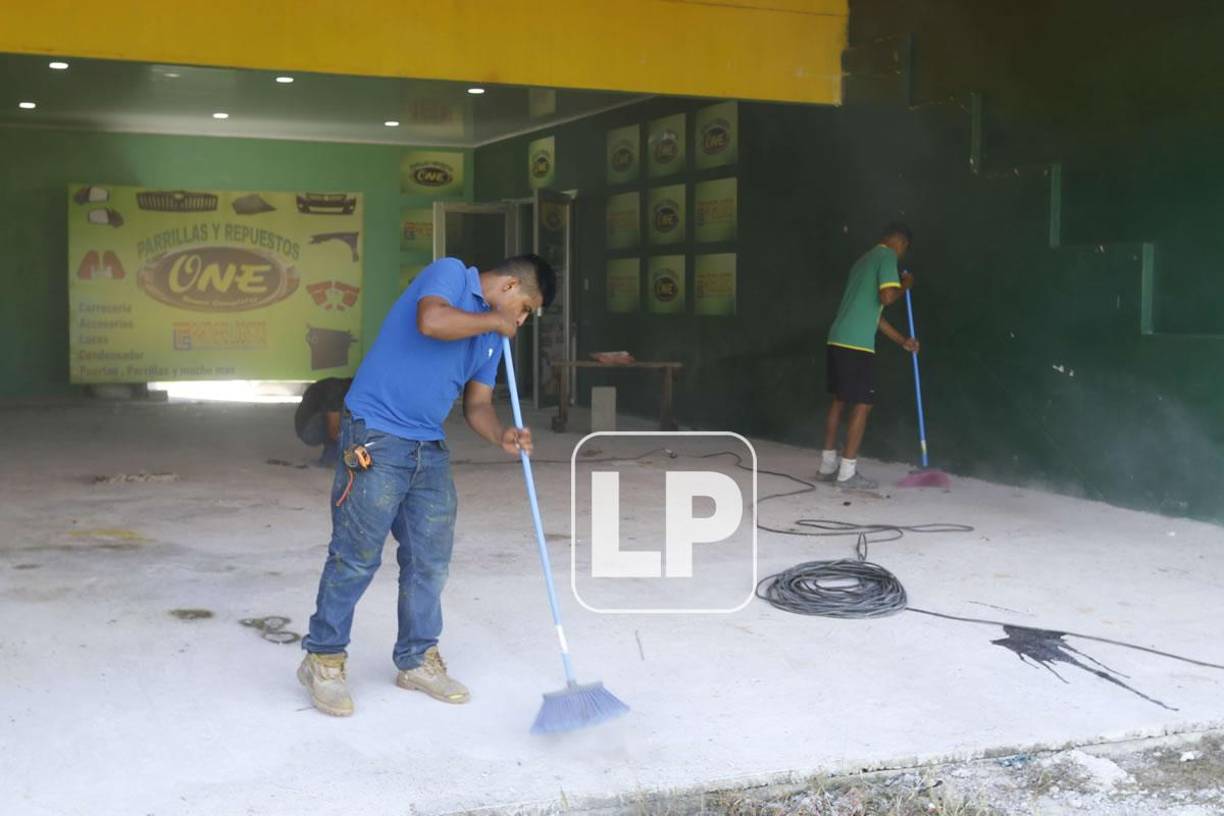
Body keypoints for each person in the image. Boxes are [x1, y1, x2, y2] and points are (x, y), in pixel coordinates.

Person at [298, 254, 555, 717]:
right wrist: (494, 320)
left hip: (427, 446)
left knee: (430, 561)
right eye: (524, 309)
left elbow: (477, 405)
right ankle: (324, 658)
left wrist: (502, 434)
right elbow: (432, 322)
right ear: (509, 286)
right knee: (356, 556)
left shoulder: (491, 339)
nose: (519, 322)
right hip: (376, 433)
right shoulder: (452, 274)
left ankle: (416, 659)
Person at [818, 223, 919, 490]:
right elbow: (887, 297)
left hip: (838, 336)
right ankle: (847, 473)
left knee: (840, 401)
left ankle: (827, 466)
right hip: (857, 344)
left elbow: (873, 314)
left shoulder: (862, 261)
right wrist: (905, 285)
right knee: (863, 404)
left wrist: (903, 341)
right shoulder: (887, 256)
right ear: (902, 244)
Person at [293, 377, 352, 466]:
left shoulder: (348, 388)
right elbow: (334, 425)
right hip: (308, 428)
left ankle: (333, 452)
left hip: (314, 421)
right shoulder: (337, 392)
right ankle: (332, 453)